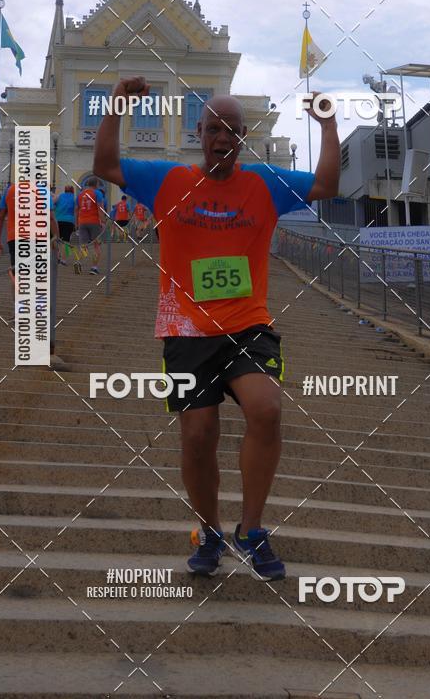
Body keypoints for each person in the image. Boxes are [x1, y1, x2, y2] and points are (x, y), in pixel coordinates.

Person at [94, 77, 340, 581]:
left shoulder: (265, 184)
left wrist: (330, 125)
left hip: (248, 326)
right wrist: (118, 105)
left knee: (266, 409)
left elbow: (326, 185)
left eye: (231, 130)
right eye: (212, 129)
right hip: (185, 330)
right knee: (198, 435)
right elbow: (106, 166)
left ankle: (251, 531)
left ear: (243, 137)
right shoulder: (168, 180)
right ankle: (209, 530)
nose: (221, 138)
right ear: (198, 134)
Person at [0, 181, 60, 273]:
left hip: (15, 237)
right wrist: (56, 238)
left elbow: (0, 217)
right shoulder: (42, 191)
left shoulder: (9, 190)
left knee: (18, 273)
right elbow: (51, 218)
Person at [75, 177, 105, 274]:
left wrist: (76, 223)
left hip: (82, 221)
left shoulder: (80, 195)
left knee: (83, 246)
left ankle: (78, 262)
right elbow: (100, 208)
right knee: (96, 245)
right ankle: (94, 268)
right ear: (96, 184)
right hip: (94, 221)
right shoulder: (97, 193)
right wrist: (103, 221)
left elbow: (76, 210)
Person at [54, 186, 76, 261]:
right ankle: (63, 259)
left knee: (57, 239)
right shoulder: (74, 198)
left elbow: (53, 202)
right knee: (66, 241)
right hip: (69, 221)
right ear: (73, 191)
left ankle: (57, 257)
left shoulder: (60, 196)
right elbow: (76, 210)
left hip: (58, 220)